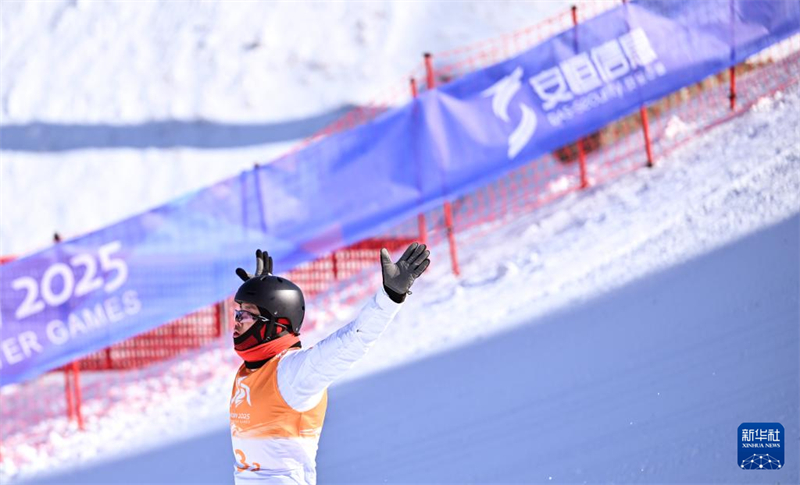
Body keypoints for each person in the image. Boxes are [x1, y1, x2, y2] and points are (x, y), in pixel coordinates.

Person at [229, 242, 431, 484]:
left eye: (246, 315)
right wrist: (263, 292)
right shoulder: (252, 370)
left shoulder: (294, 373)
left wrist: (390, 297)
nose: (237, 322)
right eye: (237, 313)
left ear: (274, 323)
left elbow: (354, 340)